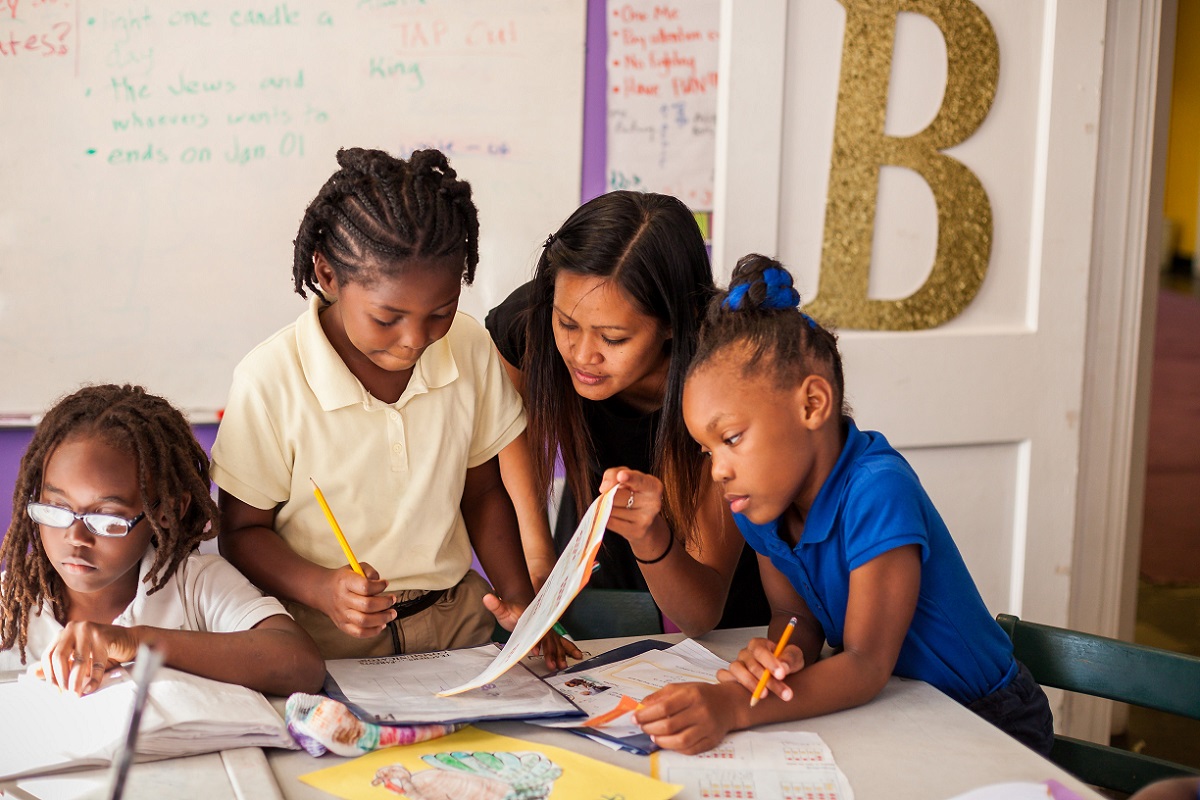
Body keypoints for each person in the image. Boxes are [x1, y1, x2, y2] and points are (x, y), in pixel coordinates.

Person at [634, 255, 1054, 755]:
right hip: (895, 712)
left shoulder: (878, 490)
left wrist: (731, 705)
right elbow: (796, 614)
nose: (717, 469)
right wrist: (781, 655)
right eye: (708, 450)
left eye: (731, 438)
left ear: (812, 404)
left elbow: (863, 664)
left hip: (985, 718)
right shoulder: (760, 509)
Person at [212, 147, 573, 665]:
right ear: (328, 276)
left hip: (458, 619)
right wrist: (321, 589)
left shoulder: (468, 346)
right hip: (326, 633)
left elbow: (483, 492)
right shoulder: (270, 380)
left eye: (441, 313)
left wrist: (522, 604)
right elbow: (242, 534)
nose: (414, 340)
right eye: (387, 318)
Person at [485, 190, 769, 635]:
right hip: (599, 532)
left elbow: (702, 612)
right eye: (567, 325)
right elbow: (503, 434)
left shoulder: (723, 374)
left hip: (726, 609)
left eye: (613, 339)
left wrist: (650, 537)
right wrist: (540, 564)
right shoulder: (530, 320)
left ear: (676, 321)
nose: (581, 355)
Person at [0, 384, 325, 697]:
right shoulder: (9, 604)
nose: (75, 537)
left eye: (106, 518)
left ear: (168, 510)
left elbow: (301, 666)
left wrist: (134, 642)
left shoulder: (195, 585)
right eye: (56, 509)